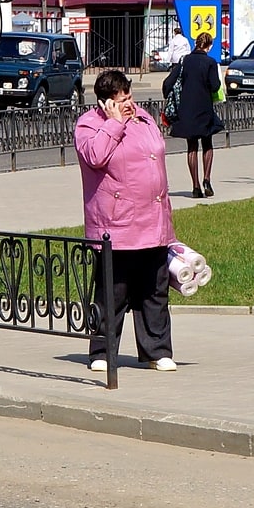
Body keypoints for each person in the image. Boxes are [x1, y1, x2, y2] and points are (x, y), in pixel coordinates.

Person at [76, 69, 176, 372]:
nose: (129, 104)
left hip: (153, 220)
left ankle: (157, 351)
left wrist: (129, 117)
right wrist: (115, 123)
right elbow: (95, 157)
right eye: (122, 101)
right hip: (116, 225)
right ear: (106, 103)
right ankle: (103, 351)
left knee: (154, 290)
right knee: (113, 293)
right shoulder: (89, 126)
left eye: (130, 97)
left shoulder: (142, 119)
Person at [163, 31, 224, 197]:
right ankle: (207, 179)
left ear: (196, 43)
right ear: (209, 46)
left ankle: (195, 186)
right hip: (204, 107)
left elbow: (168, 83)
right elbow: (214, 86)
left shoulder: (184, 61)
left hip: (187, 109)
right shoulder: (210, 62)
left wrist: (170, 98)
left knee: (191, 146)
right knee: (207, 144)